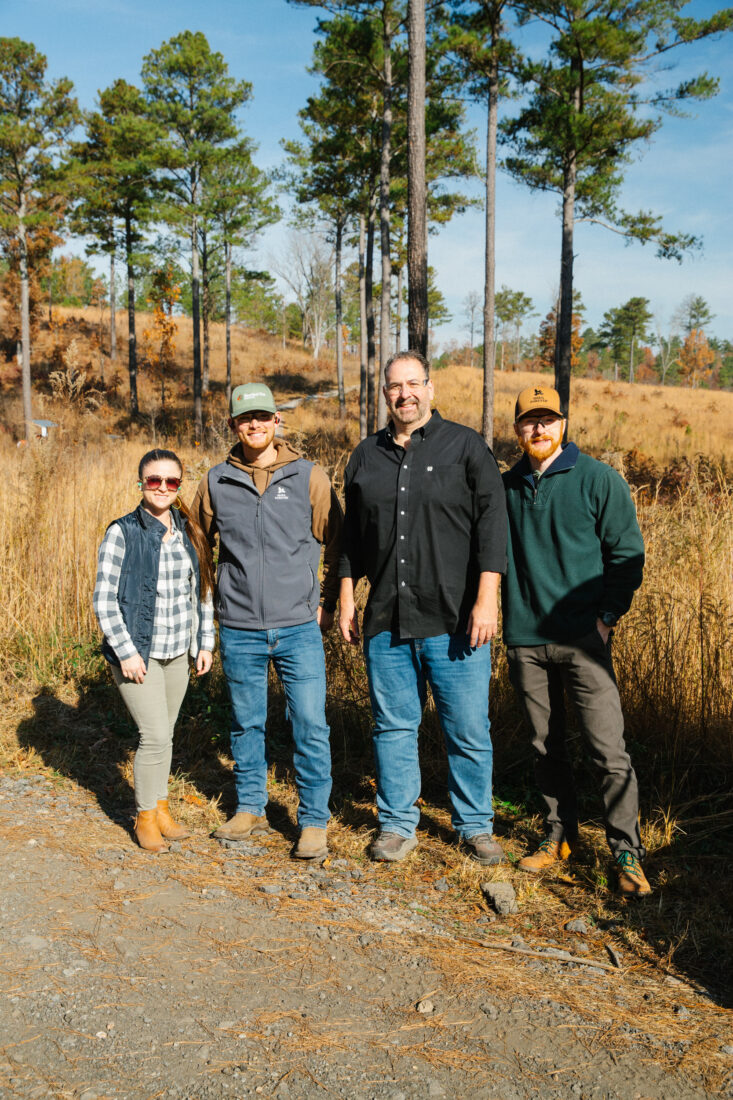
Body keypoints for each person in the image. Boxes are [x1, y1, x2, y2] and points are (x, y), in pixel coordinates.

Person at [339, 350, 507, 864]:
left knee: (467, 728)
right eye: (395, 386)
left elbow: (493, 526)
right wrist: (346, 594)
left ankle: (475, 825)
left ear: (430, 389)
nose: (404, 393)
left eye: (414, 384)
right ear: (385, 394)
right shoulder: (366, 456)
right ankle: (396, 824)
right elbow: (351, 539)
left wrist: (487, 599)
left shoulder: (466, 447)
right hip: (387, 618)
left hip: (456, 620)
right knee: (393, 726)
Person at [502, 385, 650, 898]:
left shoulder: (597, 479)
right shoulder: (508, 486)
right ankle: (560, 836)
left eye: (547, 419)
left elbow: (627, 554)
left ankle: (626, 851)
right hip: (526, 639)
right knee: (545, 746)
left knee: (607, 749)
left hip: (585, 641)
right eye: (529, 420)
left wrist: (607, 618)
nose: (538, 428)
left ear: (563, 423)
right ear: (517, 428)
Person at [191, 382, 342, 861]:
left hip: (298, 626)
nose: (254, 425)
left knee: (310, 724)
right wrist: (210, 607)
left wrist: (327, 601)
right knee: (245, 722)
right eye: (244, 418)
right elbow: (198, 546)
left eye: (262, 416)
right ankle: (250, 806)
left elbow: (338, 540)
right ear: (233, 425)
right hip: (239, 628)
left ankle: (314, 819)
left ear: (277, 421)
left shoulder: (309, 477)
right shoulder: (215, 481)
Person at [94, 449, 215, 853]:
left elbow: (203, 590)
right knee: (154, 734)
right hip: (139, 654)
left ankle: (162, 807)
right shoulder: (122, 531)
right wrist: (126, 651)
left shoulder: (189, 530)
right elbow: (104, 600)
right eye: (153, 480)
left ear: (179, 484)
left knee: (167, 735)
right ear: (141, 483)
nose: (162, 488)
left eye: (171, 481)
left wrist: (205, 642)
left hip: (179, 651)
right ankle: (145, 816)